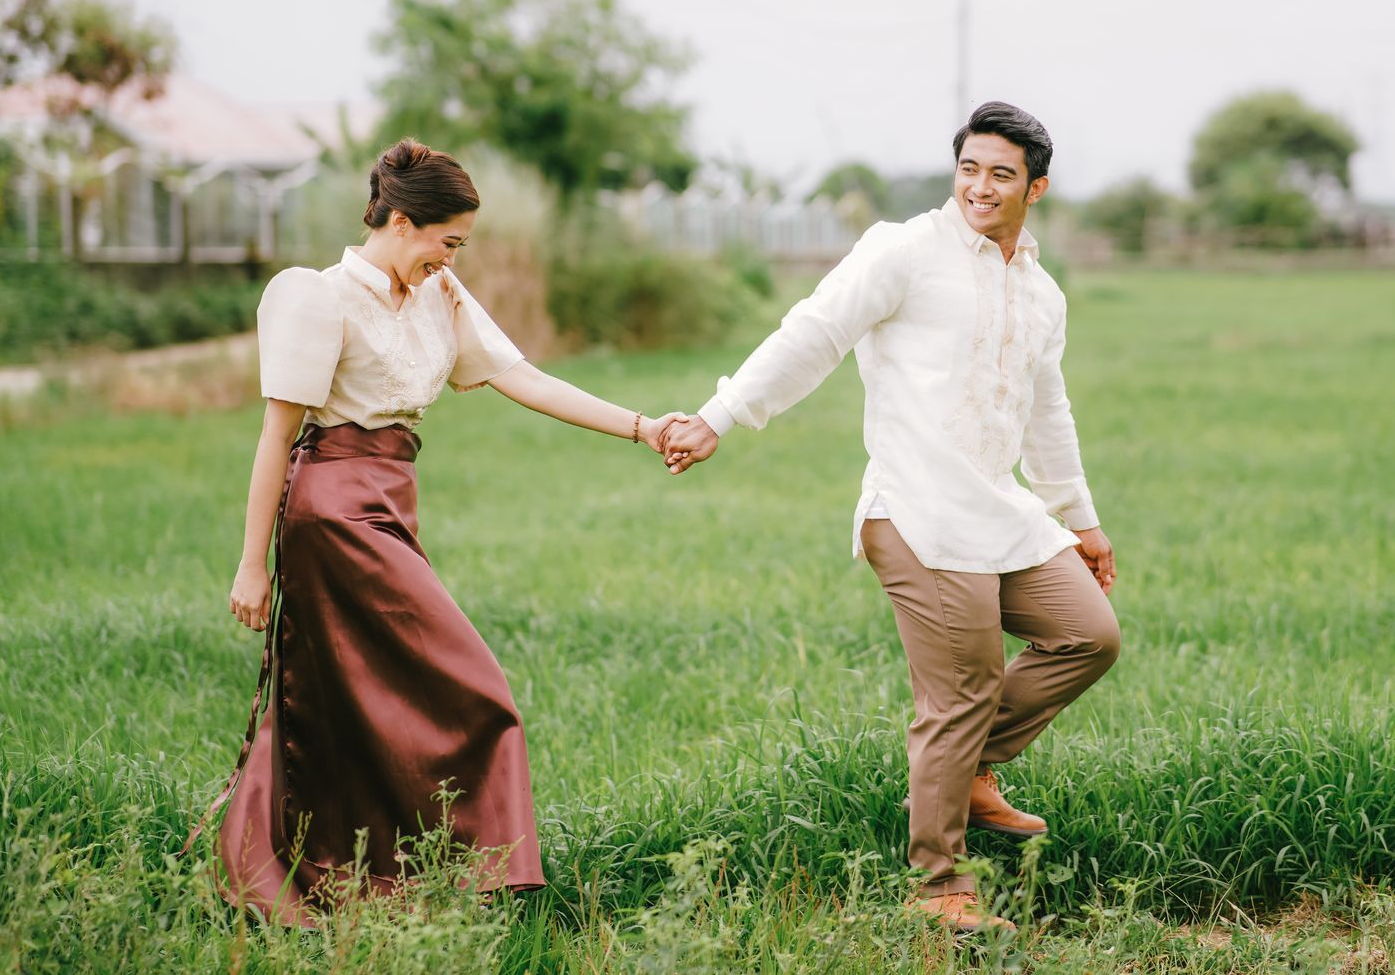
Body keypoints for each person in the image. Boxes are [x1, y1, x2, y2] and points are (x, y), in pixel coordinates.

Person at [662, 102, 1121, 933]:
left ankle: (966, 769)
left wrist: (1079, 519)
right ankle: (939, 886)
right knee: (963, 688)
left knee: (1089, 634)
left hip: (1001, 510)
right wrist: (718, 416)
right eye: (970, 168)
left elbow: (1046, 408)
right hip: (917, 507)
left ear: (1037, 188)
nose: (981, 186)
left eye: (1003, 174)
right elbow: (814, 333)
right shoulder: (904, 250)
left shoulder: (1041, 292)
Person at [207, 138, 683, 924]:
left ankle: (372, 876)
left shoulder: (440, 295)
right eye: (447, 241)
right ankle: (478, 873)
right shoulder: (320, 298)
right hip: (331, 513)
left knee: (362, 701)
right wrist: (251, 564)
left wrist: (642, 426)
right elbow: (276, 437)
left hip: (393, 501)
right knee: (474, 688)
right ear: (400, 220)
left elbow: (521, 376)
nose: (451, 258)